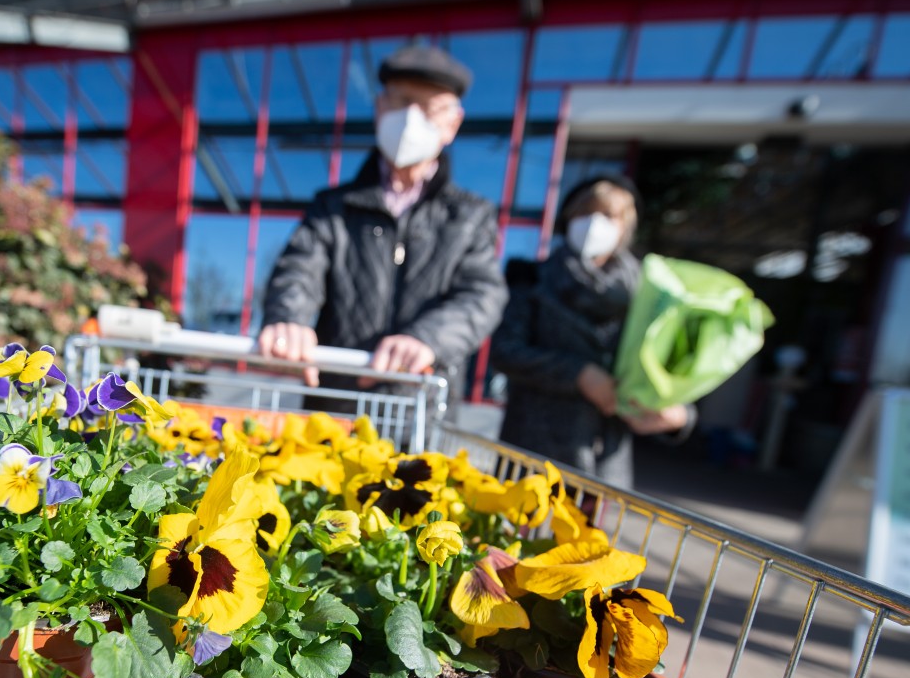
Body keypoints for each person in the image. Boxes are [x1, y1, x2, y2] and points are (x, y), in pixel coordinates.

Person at [256, 45, 507, 415]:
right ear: (379, 108)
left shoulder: (471, 216)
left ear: (452, 123)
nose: (411, 119)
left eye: (428, 108)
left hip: (421, 412)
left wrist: (427, 338)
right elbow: (298, 270)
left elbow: (482, 294)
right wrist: (289, 319)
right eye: (402, 101)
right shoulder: (333, 207)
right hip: (336, 409)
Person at [490, 175, 694, 489]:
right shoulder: (531, 278)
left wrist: (677, 411)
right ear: (568, 219)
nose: (594, 224)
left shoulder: (649, 295)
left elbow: (672, 364)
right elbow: (505, 350)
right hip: (532, 452)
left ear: (625, 227)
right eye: (584, 213)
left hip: (603, 462)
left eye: (609, 216)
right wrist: (579, 374)